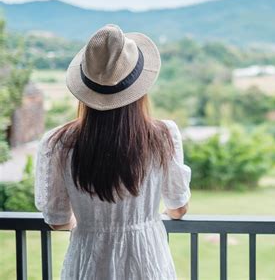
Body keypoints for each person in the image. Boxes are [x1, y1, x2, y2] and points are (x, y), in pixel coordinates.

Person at [34, 24, 191, 279]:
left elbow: (57, 219)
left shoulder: (58, 143)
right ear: (140, 88)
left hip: (88, 262)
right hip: (146, 261)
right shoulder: (163, 136)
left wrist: (93, 227)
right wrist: (144, 217)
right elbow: (178, 206)